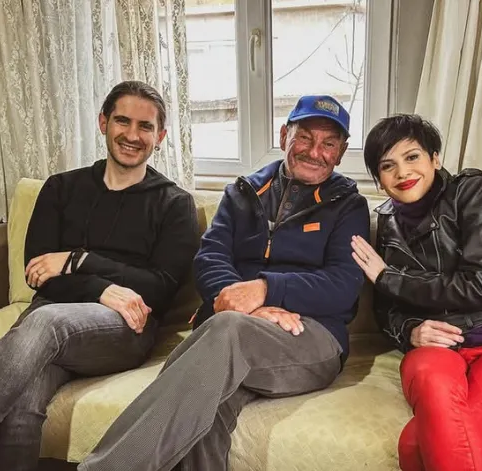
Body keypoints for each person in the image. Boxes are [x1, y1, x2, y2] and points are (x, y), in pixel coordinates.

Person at [0, 81, 200, 471]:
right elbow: (38, 273)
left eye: (145, 127)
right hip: (48, 321)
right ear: (103, 123)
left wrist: (79, 260)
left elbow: (159, 289)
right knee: (20, 403)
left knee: (45, 320)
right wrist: (106, 289)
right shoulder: (61, 188)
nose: (132, 135)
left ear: (160, 137)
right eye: (123, 121)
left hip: (124, 330)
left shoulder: (174, 204)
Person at [79, 95, 370, 471]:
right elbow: (210, 258)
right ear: (284, 136)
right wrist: (246, 306)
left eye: (329, 143)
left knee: (226, 332)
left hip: (310, 337)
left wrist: (264, 289)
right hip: (230, 332)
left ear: (341, 152)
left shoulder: (348, 205)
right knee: (206, 407)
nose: (315, 152)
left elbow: (343, 284)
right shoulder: (243, 192)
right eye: (305, 137)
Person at [350, 114, 482, 471]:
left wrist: (389, 278)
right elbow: (387, 311)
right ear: (379, 181)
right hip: (437, 350)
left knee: (414, 444)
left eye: (412, 157)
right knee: (426, 401)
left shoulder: (473, 193)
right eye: (388, 165)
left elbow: (481, 286)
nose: (402, 172)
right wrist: (411, 330)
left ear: (435, 159)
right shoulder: (387, 222)